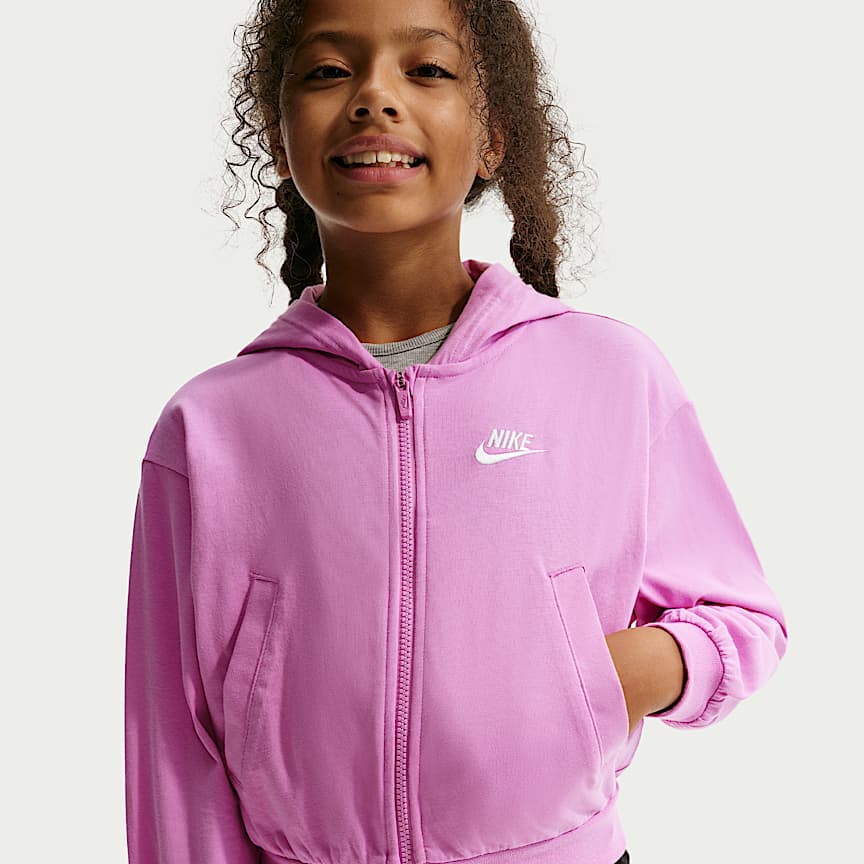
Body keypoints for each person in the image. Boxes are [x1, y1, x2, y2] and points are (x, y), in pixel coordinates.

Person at [123, 1, 789, 863]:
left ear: (493, 137)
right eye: (329, 71)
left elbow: (743, 617)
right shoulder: (210, 429)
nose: (374, 96)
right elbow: (172, 744)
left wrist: (609, 676)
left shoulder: (609, 374)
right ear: (280, 137)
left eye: (428, 70)